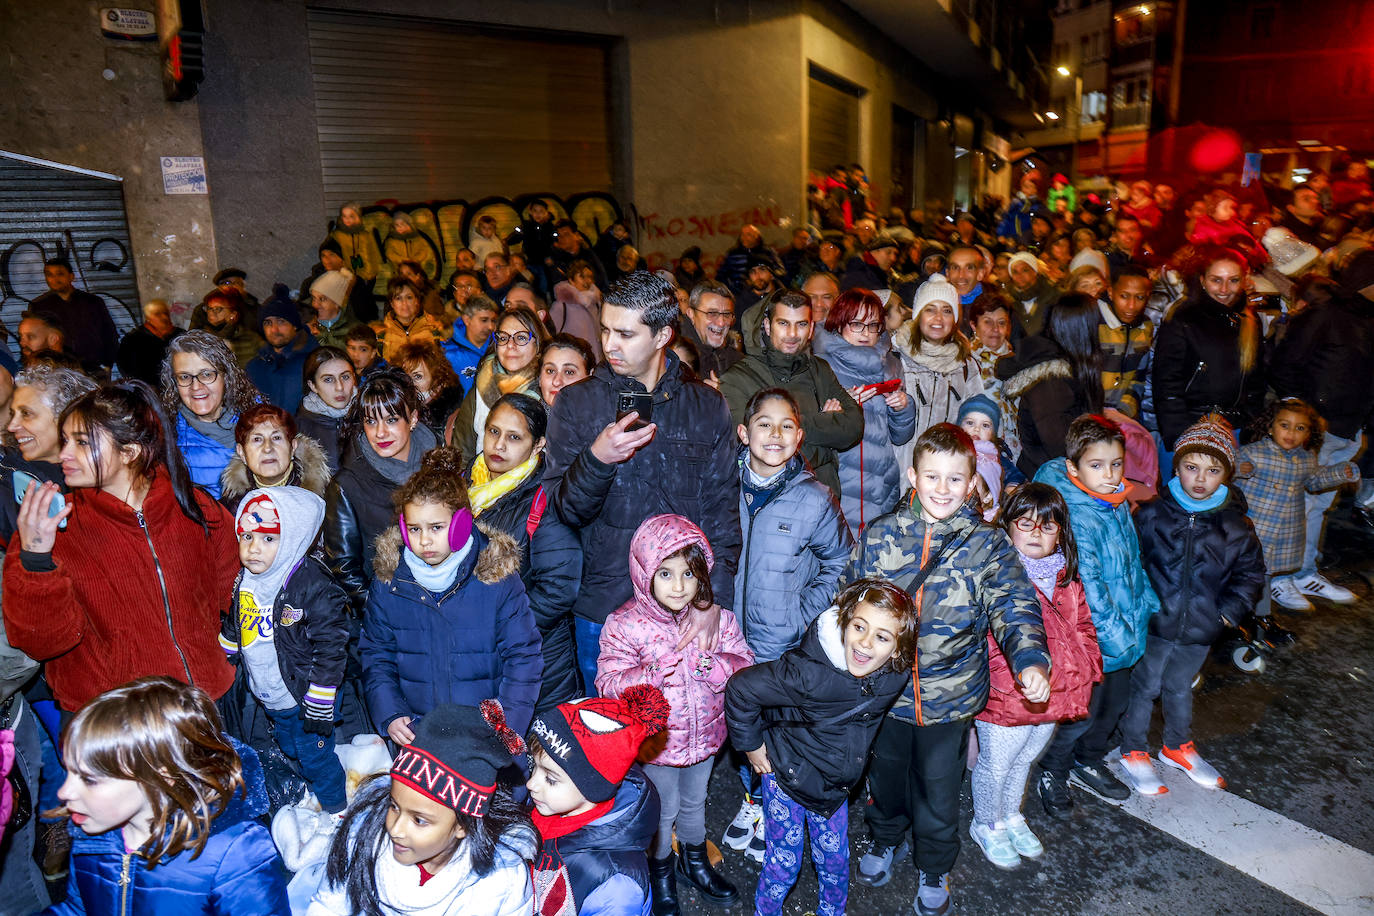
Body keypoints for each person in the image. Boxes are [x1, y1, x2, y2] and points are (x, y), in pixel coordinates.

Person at [847, 424, 1050, 915]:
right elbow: (850, 599)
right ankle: (884, 837)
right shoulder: (880, 534)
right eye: (932, 477)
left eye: (954, 479)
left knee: (939, 789)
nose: (942, 489)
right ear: (913, 476)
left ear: (971, 482)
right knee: (886, 779)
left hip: (950, 700)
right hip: (885, 697)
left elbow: (1014, 604)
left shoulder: (986, 545)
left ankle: (934, 862)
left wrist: (1030, 658)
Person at [543, 272, 741, 695]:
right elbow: (563, 510)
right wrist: (598, 459)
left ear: (663, 335)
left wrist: (711, 600)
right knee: (610, 743)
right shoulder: (576, 403)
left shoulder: (706, 406)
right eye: (606, 330)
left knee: (689, 730)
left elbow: (722, 514)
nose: (609, 345)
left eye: (625, 334)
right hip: (604, 605)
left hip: (684, 607)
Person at [4, 382, 240, 713]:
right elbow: (42, 643)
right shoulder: (50, 527)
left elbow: (237, 595)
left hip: (205, 703)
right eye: (66, 440)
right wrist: (36, 560)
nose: (64, 454)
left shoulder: (195, 506)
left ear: (130, 452)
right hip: (113, 721)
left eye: (82, 443)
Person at [726, 578, 916, 916]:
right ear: (844, 622)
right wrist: (751, 746)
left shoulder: (894, 675)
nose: (865, 644)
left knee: (835, 861)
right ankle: (765, 911)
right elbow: (741, 689)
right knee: (784, 863)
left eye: (882, 637)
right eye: (859, 627)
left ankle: (833, 912)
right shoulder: (806, 674)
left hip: (834, 789)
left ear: (898, 649)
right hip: (786, 778)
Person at [596, 515, 752, 911]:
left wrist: (715, 666)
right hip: (657, 745)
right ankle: (660, 870)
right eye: (665, 573)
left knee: (696, 802)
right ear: (645, 571)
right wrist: (647, 675)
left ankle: (694, 862)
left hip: (705, 740)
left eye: (688, 573)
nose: (679, 586)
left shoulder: (717, 620)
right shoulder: (624, 625)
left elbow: (745, 666)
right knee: (662, 811)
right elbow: (607, 682)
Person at [46, 676, 287, 914]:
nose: (64, 792)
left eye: (89, 779)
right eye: (69, 772)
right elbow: (79, 908)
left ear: (161, 777)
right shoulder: (91, 834)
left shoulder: (233, 852)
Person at [1121, 416, 1265, 798]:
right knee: (1144, 687)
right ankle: (1133, 749)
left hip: (1202, 627)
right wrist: (1139, 607)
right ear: (1177, 467)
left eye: (1213, 470)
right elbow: (1130, 563)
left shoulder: (1236, 526)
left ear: (1227, 475)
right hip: (1154, 624)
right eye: (1191, 467)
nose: (1200, 479)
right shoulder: (1151, 514)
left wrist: (1228, 613)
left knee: (1180, 686)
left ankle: (1176, 745)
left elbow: (1250, 575)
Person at [361, 447, 542, 743]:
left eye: (436, 527)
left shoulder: (496, 579)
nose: (424, 540)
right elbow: (376, 654)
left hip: (484, 736)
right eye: (415, 529)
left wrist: (506, 727)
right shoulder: (389, 582)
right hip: (419, 735)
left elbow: (524, 658)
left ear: (461, 524)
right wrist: (391, 712)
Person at [1032, 415, 1160, 816]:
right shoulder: (1076, 514)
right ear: (1074, 468)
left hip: (1123, 627)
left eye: (1117, 463)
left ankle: (1087, 762)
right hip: (1093, 637)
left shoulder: (1113, 500)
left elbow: (1129, 559)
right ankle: (1053, 769)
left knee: (1113, 707)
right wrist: (1116, 636)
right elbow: (1092, 587)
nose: (1109, 474)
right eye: (1097, 465)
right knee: (1081, 712)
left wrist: (1146, 601)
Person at [298, 703, 538, 916]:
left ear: (463, 826)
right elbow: (329, 904)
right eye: (394, 806)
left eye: (420, 820)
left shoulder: (502, 883)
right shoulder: (361, 840)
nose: (395, 829)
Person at [969, 483, 1099, 869]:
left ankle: (1011, 815)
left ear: (1062, 531)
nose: (1037, 534)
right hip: (1008, 694)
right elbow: (987, 638)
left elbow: (1084, 627)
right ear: (1007, 527)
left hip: (1056, 692)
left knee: (1026, 758)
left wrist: (1087, 667)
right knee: (997, 763)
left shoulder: (1065, 576)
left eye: (1048, 526)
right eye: (1025, 524)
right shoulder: (996, 575)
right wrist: (1008, 679)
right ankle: (986, 823)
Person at [222, 486, 350, 814]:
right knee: (291, 746)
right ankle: (312, 786)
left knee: (315, 756)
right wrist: (227, 646)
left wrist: (320, 696)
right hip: (272, 696)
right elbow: (238, 616)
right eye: (246, 536)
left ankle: (338, 812)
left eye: (268, 539)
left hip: (307, 695)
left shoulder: (309, 585)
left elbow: (331, 644)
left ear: (293, 537)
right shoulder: (246, 580)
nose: (253, 549)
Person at [1267, 248, 1374, 605]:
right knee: (1293, 504)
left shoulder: (1368, 320)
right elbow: (1285, 365)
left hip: (1348, 428)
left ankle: (1303, 572)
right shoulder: (1327, 315)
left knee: (1318, 507)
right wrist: (1305, 417)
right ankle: (1278, 578)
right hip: (1316, 430)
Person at [466, 393, 582, 710]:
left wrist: (499, 629)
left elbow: (558, 589)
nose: (499, 445)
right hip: (482, 660)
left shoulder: (546, 498)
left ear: (539, 444)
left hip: (537, 666)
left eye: (514, 437)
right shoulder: (465, 483)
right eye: (493, 431)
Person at [733, 388, 853, 663]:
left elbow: (843, 563)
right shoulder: (722, 487)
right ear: (744, 433)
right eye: (764, 424)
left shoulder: (815, 498)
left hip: (783, 650)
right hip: (723, 643)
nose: (776, 434)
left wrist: (801, 615)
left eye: (786, 426)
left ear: (798, 437)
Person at [526, 686, 668, 916]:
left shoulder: (616, 886)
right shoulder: (553, 807)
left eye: (550, 779)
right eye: (534, 766)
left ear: (592, 788)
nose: (531, 784)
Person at [719, 291, 863, 500]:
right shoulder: (738, 378)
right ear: (767, 327)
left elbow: (853, 427)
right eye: (784, 323)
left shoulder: (820, 370)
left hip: (823, 503)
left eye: (802, 324)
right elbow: (753, 449)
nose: (793, 333)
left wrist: (783, 429)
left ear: (812, 328)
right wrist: (827, 445)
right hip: (767, 505)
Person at [1236, 399, 1360, 624]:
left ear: (1308, 434)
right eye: (1284, 425)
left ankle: (1261, 620)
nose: (1291, 433)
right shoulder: (1254, 453)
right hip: (1253, 530)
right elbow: (1228, 473)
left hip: (1282, 533)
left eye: (1300, 428)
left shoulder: (1305, 458)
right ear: (1270, 427)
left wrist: (1341, 472)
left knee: (1265, 577)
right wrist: (1237, 470)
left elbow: (1315, 481)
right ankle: (1236, 618)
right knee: (1244, 576)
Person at [323, 370, 437, 613]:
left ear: (413, 418)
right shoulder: (346, 485)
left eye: (392, 419)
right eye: (371, 421)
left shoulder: (440, 463)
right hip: (386, 617)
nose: (380, 433)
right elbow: (344, 569)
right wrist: (382, 615)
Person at [814, 288, 916, 538]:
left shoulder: (890, 364)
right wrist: (844, 407)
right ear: (839, 323)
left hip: (883, 479)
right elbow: (813, 429)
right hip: (842, 480)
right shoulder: (821, 365)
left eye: (873, 325)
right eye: (857, 324)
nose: (866, 333)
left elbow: (900, 436)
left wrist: (903, 407)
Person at [1152, 249, 1266, 451]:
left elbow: (1256, 380)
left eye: (1233, 280)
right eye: (1216, 280)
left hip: (1234, 428)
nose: (1224, 289)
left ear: (1244, 281)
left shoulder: (1249, 319)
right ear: (1203, 280)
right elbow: (1166, 383)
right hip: (1191, 426)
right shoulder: (1183, 318)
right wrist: (1179, 434)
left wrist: (1251, 423)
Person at [996, 294, 1106, 478]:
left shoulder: (1069, 370)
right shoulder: (1051, 383)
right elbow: (1061, 449)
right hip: (1048, 481)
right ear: (1083, 330)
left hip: (1062, 474)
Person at [893, 274, 985, 475]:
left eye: (946, 311)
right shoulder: (896, 358)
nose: (938, 319)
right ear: (918, 315)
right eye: (930, 310)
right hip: (900, 469)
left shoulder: (966, 365)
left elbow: (976, 420)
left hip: (947, 471)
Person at [162, 330, 265, 499]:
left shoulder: (263, 419)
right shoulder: (166, 435)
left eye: (207, 374)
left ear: (227, 376)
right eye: (185, 377)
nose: (195, 387)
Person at [448, 306, 547, 470]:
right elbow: (462, 455)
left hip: (529, 489)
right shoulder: (482, 385)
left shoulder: (547, 391)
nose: (510, 345)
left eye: (521, 338)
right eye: (503, 338)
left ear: (538, 344)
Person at [220, 405, 331, 510]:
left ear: (293, 447)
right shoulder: (229, 508)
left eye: (276, 438)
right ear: (242, 453)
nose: (268, 448)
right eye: (257, 439)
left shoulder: (325, 498)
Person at [28, 257, 119, 373]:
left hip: (93, 369)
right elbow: (34, 341)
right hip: (58, 371)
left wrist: (107, 365)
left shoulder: (93, 302)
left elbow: (109, 334)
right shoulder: (39, 307)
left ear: (71, 276)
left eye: (60, 274)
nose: (54, 279)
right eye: (49, 275)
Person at [966, 293, 1022, 461]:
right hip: (977, 451)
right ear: (974, 325)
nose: (996, 329)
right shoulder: (966, 362)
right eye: (988, 322)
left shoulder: (1018, 362)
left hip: (1016, 452)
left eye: (1001, 323)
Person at [247, 284, 318, 414]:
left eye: (281, 321)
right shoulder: (255, 366)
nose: (274, 329)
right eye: (268, 323)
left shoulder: (314, 362)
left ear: (295, 325)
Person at [1098, 266, 1154, 418]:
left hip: (1124, 417)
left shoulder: (1145, 327)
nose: (1131, 305)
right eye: (1124, 296)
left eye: (1140, 297)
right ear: (1110, 292)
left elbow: (1138, 376)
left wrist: (1124, 411)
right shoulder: (1093, 322)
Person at [296, 346, 357, 474]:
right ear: (313, 386)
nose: (339, 387)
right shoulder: (300, 428)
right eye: (328, 379)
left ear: (354, 378)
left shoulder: (371, 416)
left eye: (345, 377)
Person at [396, 341, 464, 443]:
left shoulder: (450, 411)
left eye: (417, 376)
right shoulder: (397, 402)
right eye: (404, 376)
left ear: (436, 378)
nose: (408, 382)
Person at [679, 281, 743, 383]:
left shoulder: (735, 360)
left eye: (726, 314)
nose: (721, 323)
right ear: (691, 313)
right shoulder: (676, 356)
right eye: (712, 313)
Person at [373, 277, 447, 364]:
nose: (404, 303)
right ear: (392, 304)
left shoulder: (436, 329)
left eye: (409, 297)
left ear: (417, 300)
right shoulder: (380, 335)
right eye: (398, 298)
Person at [957, 394, 1005, 522]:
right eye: (970, 423)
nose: (976, 429)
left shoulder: (994, 456)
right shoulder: (950, 452)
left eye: (985, 425)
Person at [117, 299, 183, 386]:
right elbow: (127, 369)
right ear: (148, 317)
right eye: (157, 314)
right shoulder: (132, 340)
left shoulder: (180, 335)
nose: (164, 317)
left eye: (165, 313)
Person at [550, 259, 604, 361]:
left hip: (595, 363)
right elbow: (550, 335)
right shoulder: (561, 306)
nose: (587, 281)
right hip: (570, 363)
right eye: (582, 276)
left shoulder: (596, 303)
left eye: (589, 277)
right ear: (571, 279)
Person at [203, 287, 268, 370]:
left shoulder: (251, 339)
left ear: (233, 314)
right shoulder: (201, 340)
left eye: (218, 309)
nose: (212, 313)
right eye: (209, 308)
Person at [441, 295, 499, 387]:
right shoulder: (448, 355)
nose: (491, 326)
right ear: (467, 320)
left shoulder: (501, 347)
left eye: (493, 321)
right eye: (484, 320)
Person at [1003, 253, 1059, 339]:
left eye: (1025, 270)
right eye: (1015, 272)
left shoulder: (1054, 296)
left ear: (1034, 272)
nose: (1020, 275)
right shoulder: (1007, 301)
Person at [309, 269, 364, 351]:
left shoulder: (356, 330)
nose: (315, 305)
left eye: (322, 299)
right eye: (314, 298)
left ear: (337, 303)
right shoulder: (306, 325)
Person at [538, 334, 593, 406]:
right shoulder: (524, 415)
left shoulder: (608, 414)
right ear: (539, 378)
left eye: (569, 372)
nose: (556, 382)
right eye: (550, 371)